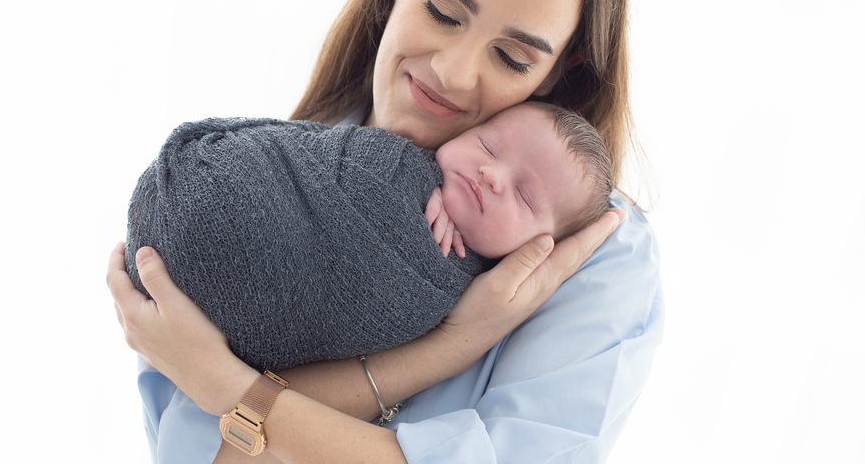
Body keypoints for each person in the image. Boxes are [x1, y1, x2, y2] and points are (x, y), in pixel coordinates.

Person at [107, 0, 663, 464]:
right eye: (443, 11)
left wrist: (236, 393)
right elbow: (186, 454)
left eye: (511, 55)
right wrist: (448, 349)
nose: (455, 72)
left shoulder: (583, 252)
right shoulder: (279, 168)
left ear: (559, 73)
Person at [125, 102, 613, 374]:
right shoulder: (391, 159)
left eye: (524, 197)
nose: (492, 175)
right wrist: (417, 182)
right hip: (190, 211)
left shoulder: (481, 293)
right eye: (487, 144)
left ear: (537, 252)